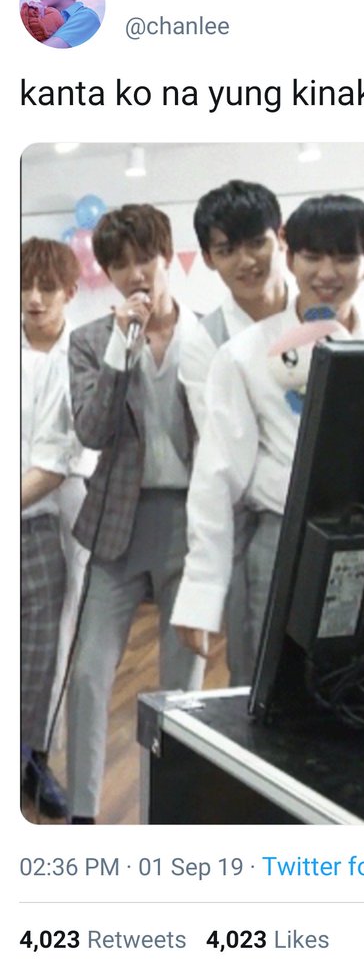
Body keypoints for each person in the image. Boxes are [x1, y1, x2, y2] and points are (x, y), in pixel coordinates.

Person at [171, 193, 364, 682]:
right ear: (291, 258)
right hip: (281, 536)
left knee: (363, 682)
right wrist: (201, 593)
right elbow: (216, 474)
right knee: (266, 682)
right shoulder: (242, 354)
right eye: (313, 256)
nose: (327, 272)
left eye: (344, 257)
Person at [66, 204, 201, 823]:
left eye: (144, 258)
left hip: (191, 525)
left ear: (167, 256)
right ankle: (83, 814)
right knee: (89, 674)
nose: (135, 274)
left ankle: (172, 812)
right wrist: (121, 350)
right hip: (117, 523)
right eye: (119, 265)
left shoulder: (206, 335)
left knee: (182, 682)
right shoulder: (91, 341)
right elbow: (93, 432)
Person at [178, 179, 289, 684]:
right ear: (208, 259)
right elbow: (226, 459)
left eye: (256, 243)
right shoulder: (207, 343)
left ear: (280, 238)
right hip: (257, 519)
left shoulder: (321, 313)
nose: (246, 261)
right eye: (227, 250)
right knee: (257, 667)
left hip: (347, 511)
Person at [21, 348, 71, 819]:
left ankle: (28, 761)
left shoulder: (40, 368)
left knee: (35, 668)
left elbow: (53, 464)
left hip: (30, 532)